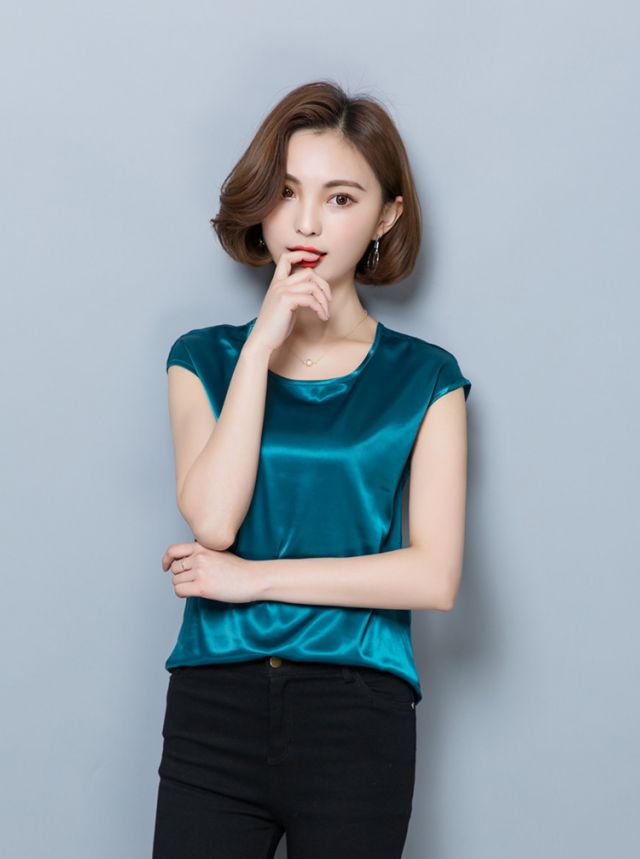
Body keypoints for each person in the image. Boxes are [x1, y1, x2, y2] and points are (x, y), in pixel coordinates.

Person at [152, 80, 472, 859]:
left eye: (340, 198)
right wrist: (262, 344)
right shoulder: (203, 359)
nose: (305, 223)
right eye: (288, 191)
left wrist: (252, 580)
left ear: (385, 216)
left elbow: (434, 576)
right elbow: (214, 521)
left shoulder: (425, 378)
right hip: (213, 704)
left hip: (356, 712)